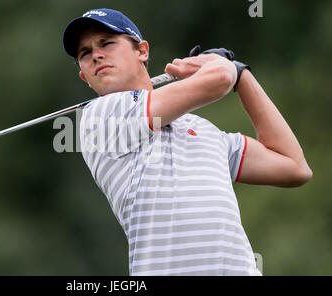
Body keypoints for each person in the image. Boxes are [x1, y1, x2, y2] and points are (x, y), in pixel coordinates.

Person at [62, 8, 312, 276]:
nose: (96, 55)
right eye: (85, 54)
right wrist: (222, 67)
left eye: (107, 43)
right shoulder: (100, 118)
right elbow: (219, 80)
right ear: (84, 76)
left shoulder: (204, 130)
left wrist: (243, 75)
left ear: (142, 51)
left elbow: (294, 167)